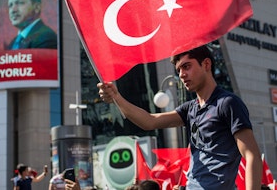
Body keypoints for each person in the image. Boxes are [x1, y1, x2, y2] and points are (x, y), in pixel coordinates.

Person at [98, 45, 263, 189]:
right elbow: (149, 121)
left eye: (187, 66)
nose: (182, 75)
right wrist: (116, 98)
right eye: (178, 70)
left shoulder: (228, 103)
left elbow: (251, 155)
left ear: (206, 64)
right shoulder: (189, 109)